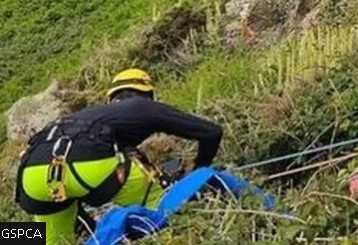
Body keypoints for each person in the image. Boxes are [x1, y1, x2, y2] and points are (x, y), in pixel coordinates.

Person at [15, 68, 223, 245]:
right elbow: (211, 132)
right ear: (148, 93)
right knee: (163, 206)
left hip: (31, 175)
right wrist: (198, 170)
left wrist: (92, 228)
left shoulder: (84, 117)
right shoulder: (142, 106)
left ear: (111, 97)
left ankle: (7, 234)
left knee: (48, 238)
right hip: (87, 164)